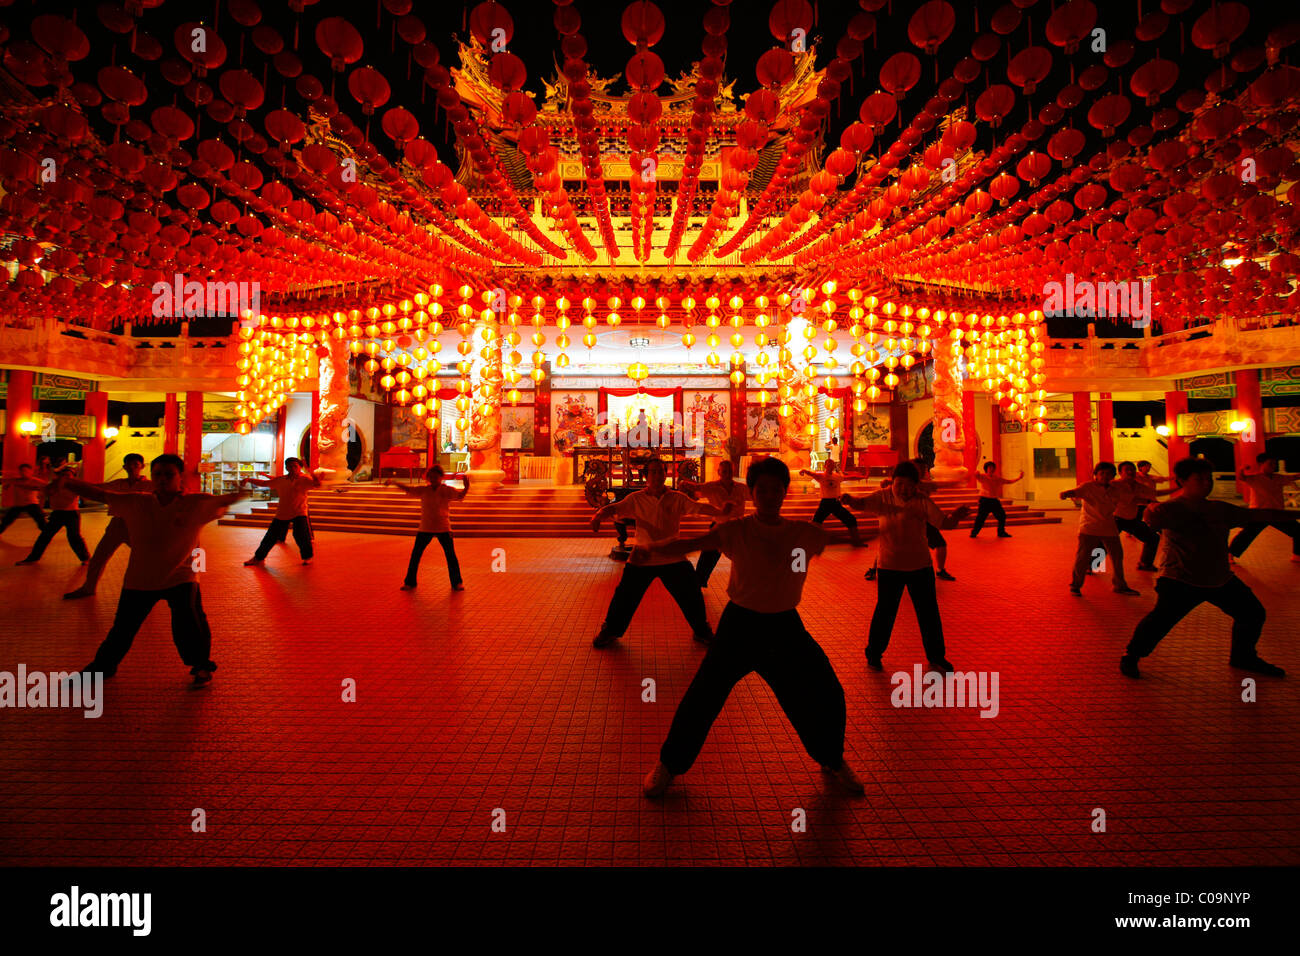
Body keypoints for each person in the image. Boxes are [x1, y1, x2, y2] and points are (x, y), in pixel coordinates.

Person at [635, 456, 864, 798]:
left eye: (776, 490)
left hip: (785, 627)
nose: (770, 495)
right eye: (763, 490)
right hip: (739, 626)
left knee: (827, 691)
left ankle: (832, 759)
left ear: (784, 493)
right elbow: (691, 545)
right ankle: (669, 765)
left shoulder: (803, 532)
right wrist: (650, 549)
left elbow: (836, 538)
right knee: (703, 698)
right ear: (753, 494)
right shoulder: (737, 530)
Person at [52, 455, 247, 684]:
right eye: (158, 474)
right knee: (123, 627)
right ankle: (102, 667)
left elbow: (227, 500)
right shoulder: (136, 501)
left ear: (180, 476)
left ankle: (201, 666)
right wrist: (67, 481)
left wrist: (242, 492)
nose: (162, 479)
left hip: (182, 576)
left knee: (190, 623)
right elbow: (100, 494)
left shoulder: (195, 503)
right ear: (152, 476)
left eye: (169, 474)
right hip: (140, 578)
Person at [1122, 457, 1293, 679]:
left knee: (1252, 613)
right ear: (1182, 481)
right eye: (1200, 479)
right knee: (1160, 622)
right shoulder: (1168, 510)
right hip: (1180, 579)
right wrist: (1149, 512)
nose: (1206, 483)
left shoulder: (1219, 509)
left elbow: (1259, 515)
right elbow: (1148, 519)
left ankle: (1243, 656)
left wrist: (1294, 515)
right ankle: (1131, 656)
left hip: (1219, 579)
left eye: (1208, 478)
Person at [589, 456, 731, 648]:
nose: (657, 475)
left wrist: (720, 511)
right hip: (643, 557)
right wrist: (598, 515)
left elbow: (698, 508)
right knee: (624, 596)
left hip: (672, 556)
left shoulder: (676, 498)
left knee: (691, 593)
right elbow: (615, 507)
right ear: (646, 476)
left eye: (660, 471)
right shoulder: (636, 499)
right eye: (653, 472)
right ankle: (610, 630)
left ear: (665, 475)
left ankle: (701, 631)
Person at [843, 462, 971, 673]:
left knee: (928, 613)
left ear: (916, 486)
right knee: (885, 612)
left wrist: (956, 516)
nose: (904, 489)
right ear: (893, 482)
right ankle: (874, 653)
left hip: (920, 566)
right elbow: (861, 504)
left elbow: (944, 523)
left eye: (909, 486)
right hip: (890, 566)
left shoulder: (922, 501)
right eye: (900, 484)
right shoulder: (882, 497)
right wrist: (850, 500)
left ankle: (937, 656)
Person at [63, 453, 154, 600]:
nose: (132, 468)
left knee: (147, 558)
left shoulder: (151, 485)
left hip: (138, 525)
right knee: (99, 557)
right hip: (117, 525)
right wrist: (70, 483)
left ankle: (151, 588)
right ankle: (88, 588)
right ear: (124, 466)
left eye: (135, 465)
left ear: (142, 467)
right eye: (129, 465)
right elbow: (95, 488)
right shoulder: (118, 484)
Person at [865, 460, 956, 581]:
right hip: (904, 519)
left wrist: (955, 482)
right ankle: (874, 569)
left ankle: (940, 570)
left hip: (923, 519)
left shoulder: (924, 484)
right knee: (891, 544)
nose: (921, 471)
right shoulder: (901, 483)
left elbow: (938, 485)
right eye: (918, 468)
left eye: (923, 468)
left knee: (940, 544)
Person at [1060, 462, 1140, 596]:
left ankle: (1120, 585)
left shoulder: (1115, 489)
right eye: (1102, 473)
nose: (1105, 476)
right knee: (1083, 557)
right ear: (1096, 475)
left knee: (1117, 556)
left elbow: (1131, 499)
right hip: (1089, 528)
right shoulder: (1088, 487)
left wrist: (1151, 501)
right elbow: (1076, 491)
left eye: (1108, 473)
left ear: (1113, 476)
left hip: (1109, 527)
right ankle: (1076, 585)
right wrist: (1066, 493)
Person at [388, 466, 468, 591]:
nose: (433, 479)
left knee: (451, 556)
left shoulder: (446, 490)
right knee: (416, 556)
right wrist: (394, 482)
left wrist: (467, 487)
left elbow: (460, 496)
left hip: (444, 527)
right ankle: (410, 582)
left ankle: (457, 582)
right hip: (425, 527)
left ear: (441, 478)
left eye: (435, 477)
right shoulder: (424, 490)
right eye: (430, 477)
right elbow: (409, 489)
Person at [679, 459, 749, 587]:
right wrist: (685, 484)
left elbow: (755, 495)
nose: (727, 474)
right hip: (719, 527)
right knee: (707, 559)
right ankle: (697, 583)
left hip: (738, 528)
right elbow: (696, 488)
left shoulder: (741, 488)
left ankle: (747, 582)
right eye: (724, 471)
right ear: (719, 472)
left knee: (744, 558)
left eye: (729, 471)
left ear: (733, 472)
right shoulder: (711, 487)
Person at [243, 458, 323, 566]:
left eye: (295, 466)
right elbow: (264, 483)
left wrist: (316, 479)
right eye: (290, 466)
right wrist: (249, 479)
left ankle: (307, 557)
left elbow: (316, 485)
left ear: (300, 467)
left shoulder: (304, 479)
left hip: (299, 512)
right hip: (282, 512)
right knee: (270, 537)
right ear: (286, 468)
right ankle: (259, 558)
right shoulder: (281, 480)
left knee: (302, 536)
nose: (292, 468)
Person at [1229, 454, 1300, 563]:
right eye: (1270, 463)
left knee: (1298, 531)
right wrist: (1242, 468)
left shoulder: (1279, 478)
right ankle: (1230, 554)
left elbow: (1294, 477)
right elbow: (1241, 477)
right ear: (1261, 464)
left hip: (1277, 513)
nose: (1273, 466)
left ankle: (1297, 555)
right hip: (1259, 513)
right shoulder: (1255, 478)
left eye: (1274, 463)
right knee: (1247, 535)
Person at [16, 461, 89, 565]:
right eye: (64, 475)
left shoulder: (76, 486)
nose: (66, 477)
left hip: (72, 514)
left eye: (69, 475)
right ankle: (33, 558)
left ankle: (85, 559)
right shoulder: (53, 486)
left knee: (74, 537)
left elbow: (90, 492)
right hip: (57, 514)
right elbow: (39, 489)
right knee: (45, 536)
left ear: (73, 476)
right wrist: (18, 484)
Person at [800, 459, 866, 547]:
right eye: (829, 465)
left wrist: (863, 477)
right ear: (825, 466)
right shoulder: (821, 476)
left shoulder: (837, 476)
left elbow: (850, 477)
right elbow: (811, 473)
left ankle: (857, 542)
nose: (831, 466)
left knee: (851, 520)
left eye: (832, 465)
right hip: (825, 503)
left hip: (835, 503)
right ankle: (806, 542)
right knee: (815, 523)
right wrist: (803, 470)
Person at [1112, 461, 1163, 572]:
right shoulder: (1113, 485)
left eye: (1132, 469)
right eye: (1127, 470)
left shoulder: (1138, 486)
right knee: (1105, 544)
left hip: (1131, 520)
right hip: (1115, 519)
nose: (1130, 472)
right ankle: (1091, 566)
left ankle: (1145, 563)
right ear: (1120, 473)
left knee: (1153, 538)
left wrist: (1180, 489)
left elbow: (1155, 493)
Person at [970, 462, 1023, 538]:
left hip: (994, 501)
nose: (991, 469)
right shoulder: (983, 477)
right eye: (989, 467)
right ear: (986, 469)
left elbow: (1008, 481)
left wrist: (1019, 478)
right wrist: (976, 472)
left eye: (992, 467)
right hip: (984, 500)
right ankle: (974, 533)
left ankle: (1001, 532)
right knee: (981, 518)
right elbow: (976, 475)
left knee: (1002, 516)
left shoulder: (997, 478)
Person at [0, 463, 48, 535]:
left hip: (31, 504)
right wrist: (6, 485)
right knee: (6, 520)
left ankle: (47, 535)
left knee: (41, 521)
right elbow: (4, 481)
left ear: (31, 472)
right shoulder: (16, 480)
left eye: (26, 471)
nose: (24, 473)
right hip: (19, 504)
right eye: (22, 471)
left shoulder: (36, 481)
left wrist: (37, 489)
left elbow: (47, 487)